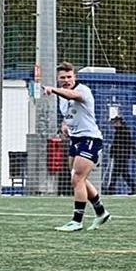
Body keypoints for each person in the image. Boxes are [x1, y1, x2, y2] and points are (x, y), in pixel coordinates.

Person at [43, 62, 111, 232]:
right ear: (58, 79)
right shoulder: (62, 96)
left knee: (77, 178)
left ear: (75, 77)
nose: (66, 80)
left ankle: (77, 221)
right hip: (75, 140)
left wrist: (53, 89)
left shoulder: (83, 90)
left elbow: (73, 96)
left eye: (69, 77)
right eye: (62, 78)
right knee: (78, 178)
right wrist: (64, 124)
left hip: (90, 139)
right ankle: (101, 212)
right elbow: (69, 114)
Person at [105, 114, 136, 195]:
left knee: (120, 173)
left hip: (122, 156)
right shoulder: (118, 131)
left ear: (119, 122)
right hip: (119, 155)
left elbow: (130, 142)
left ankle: (112, 189)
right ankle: (112, 189)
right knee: (120, 173)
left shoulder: (123, 131)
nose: (113, 124)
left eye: (115, 122)